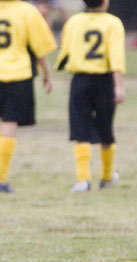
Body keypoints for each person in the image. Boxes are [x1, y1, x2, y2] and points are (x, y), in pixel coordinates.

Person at [55, 0, 126, 193]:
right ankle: (107, 176)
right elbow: (116, 57)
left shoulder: (74, 21)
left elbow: (65, 51)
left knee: (81, 128)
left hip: (80, 79)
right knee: (105, 127)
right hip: (105, 80)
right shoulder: (113, 22)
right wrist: (119, 86)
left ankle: (83, 179)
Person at [0, 0, 56, 193]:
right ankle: (1, 178)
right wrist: (47, 73)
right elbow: (40, 47)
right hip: (18, 74)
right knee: (9, 124)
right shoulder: (27, 11)